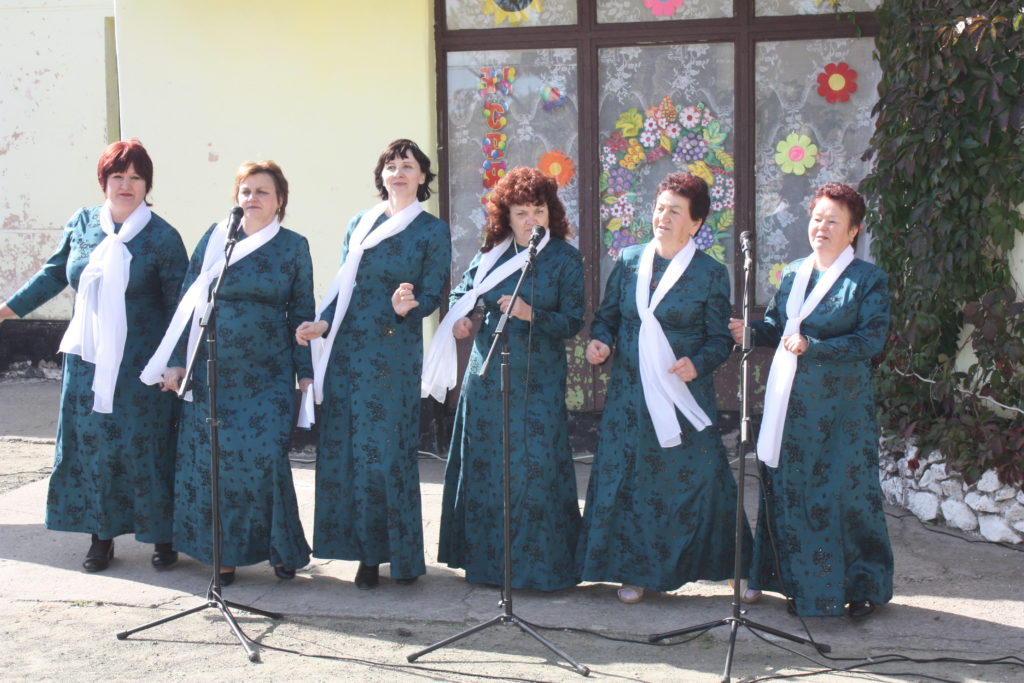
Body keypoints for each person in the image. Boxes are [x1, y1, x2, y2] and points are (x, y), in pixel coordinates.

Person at [0, 140, 186, 572]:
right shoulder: (83, 224)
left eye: (136, 177)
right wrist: (6, 312)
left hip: (142, 364)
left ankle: (161, 534)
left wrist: (174, 362)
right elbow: (51, 276)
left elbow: (181, 305)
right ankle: (100, 536)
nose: (126, 185)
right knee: (94, 447)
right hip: (87, 362)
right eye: (118, 176)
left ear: (147, 185)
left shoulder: (163, 237)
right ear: (103, 181)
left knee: (147, 447)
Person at [577, 172, 749, 604]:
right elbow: (608, 317)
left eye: (675, 211)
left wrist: (700, 364)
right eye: (659, 207)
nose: (663, 217)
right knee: (630, 480)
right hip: (630, 397)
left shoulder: (710, 273)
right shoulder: (631, 259)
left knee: (705, 479)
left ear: (695, 223)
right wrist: (600, 341)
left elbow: (719, 338)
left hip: (680, 394)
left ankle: (737, 567)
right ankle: (633, 571)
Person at [728, 182, 893, 618]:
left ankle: (861, 587)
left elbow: (871, 340)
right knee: (790, 490)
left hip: (842, 411)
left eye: (833, 220)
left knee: (843, 495)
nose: (821, 227)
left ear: (853, 230)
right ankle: (798, 585)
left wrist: (814, 346)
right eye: (817, 218)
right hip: (791, 408)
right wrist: (752, 332)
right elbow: (779, 327)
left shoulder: (868, 280)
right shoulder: (793, 272)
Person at [145, 160, 313, 585]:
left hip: (268, 372)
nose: (252, 198)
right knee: (216, 463)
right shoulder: (217, 238)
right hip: (211, 370)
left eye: (263, 192)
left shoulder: (294, 246)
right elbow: (189, 299)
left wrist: (305, 374)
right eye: (246, 191)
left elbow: (303, 311)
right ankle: (223, 555)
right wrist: (178, 360)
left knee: (264, 460)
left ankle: (278, 548)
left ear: (280, 201)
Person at [295, 139, 451, 589]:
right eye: (391, 165)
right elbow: (343, 287)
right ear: (381, 175)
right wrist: (321, 325)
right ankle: (360, 550)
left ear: (423, 177)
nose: (398, 172)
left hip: (391, 353)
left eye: (408, 166)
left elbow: (434, 292)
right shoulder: (358, 223)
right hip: (347, 353)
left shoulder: (430, 230)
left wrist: (409, 308)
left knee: (383, 453)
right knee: (346, 450)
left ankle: (391, 554)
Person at [433, 166, 585, 591]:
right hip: (485, 381)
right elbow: (460, 295)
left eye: (538, 210)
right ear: (507, 216)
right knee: (488, 469)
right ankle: (487, 567)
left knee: (535, 469)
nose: (531, 220)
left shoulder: (565, 259)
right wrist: (462, 321)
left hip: (537, 383)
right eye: (521, 212)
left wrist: (530, 313)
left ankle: (542, 570)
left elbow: (573, 321)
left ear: (550, 213)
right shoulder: (492, 254)